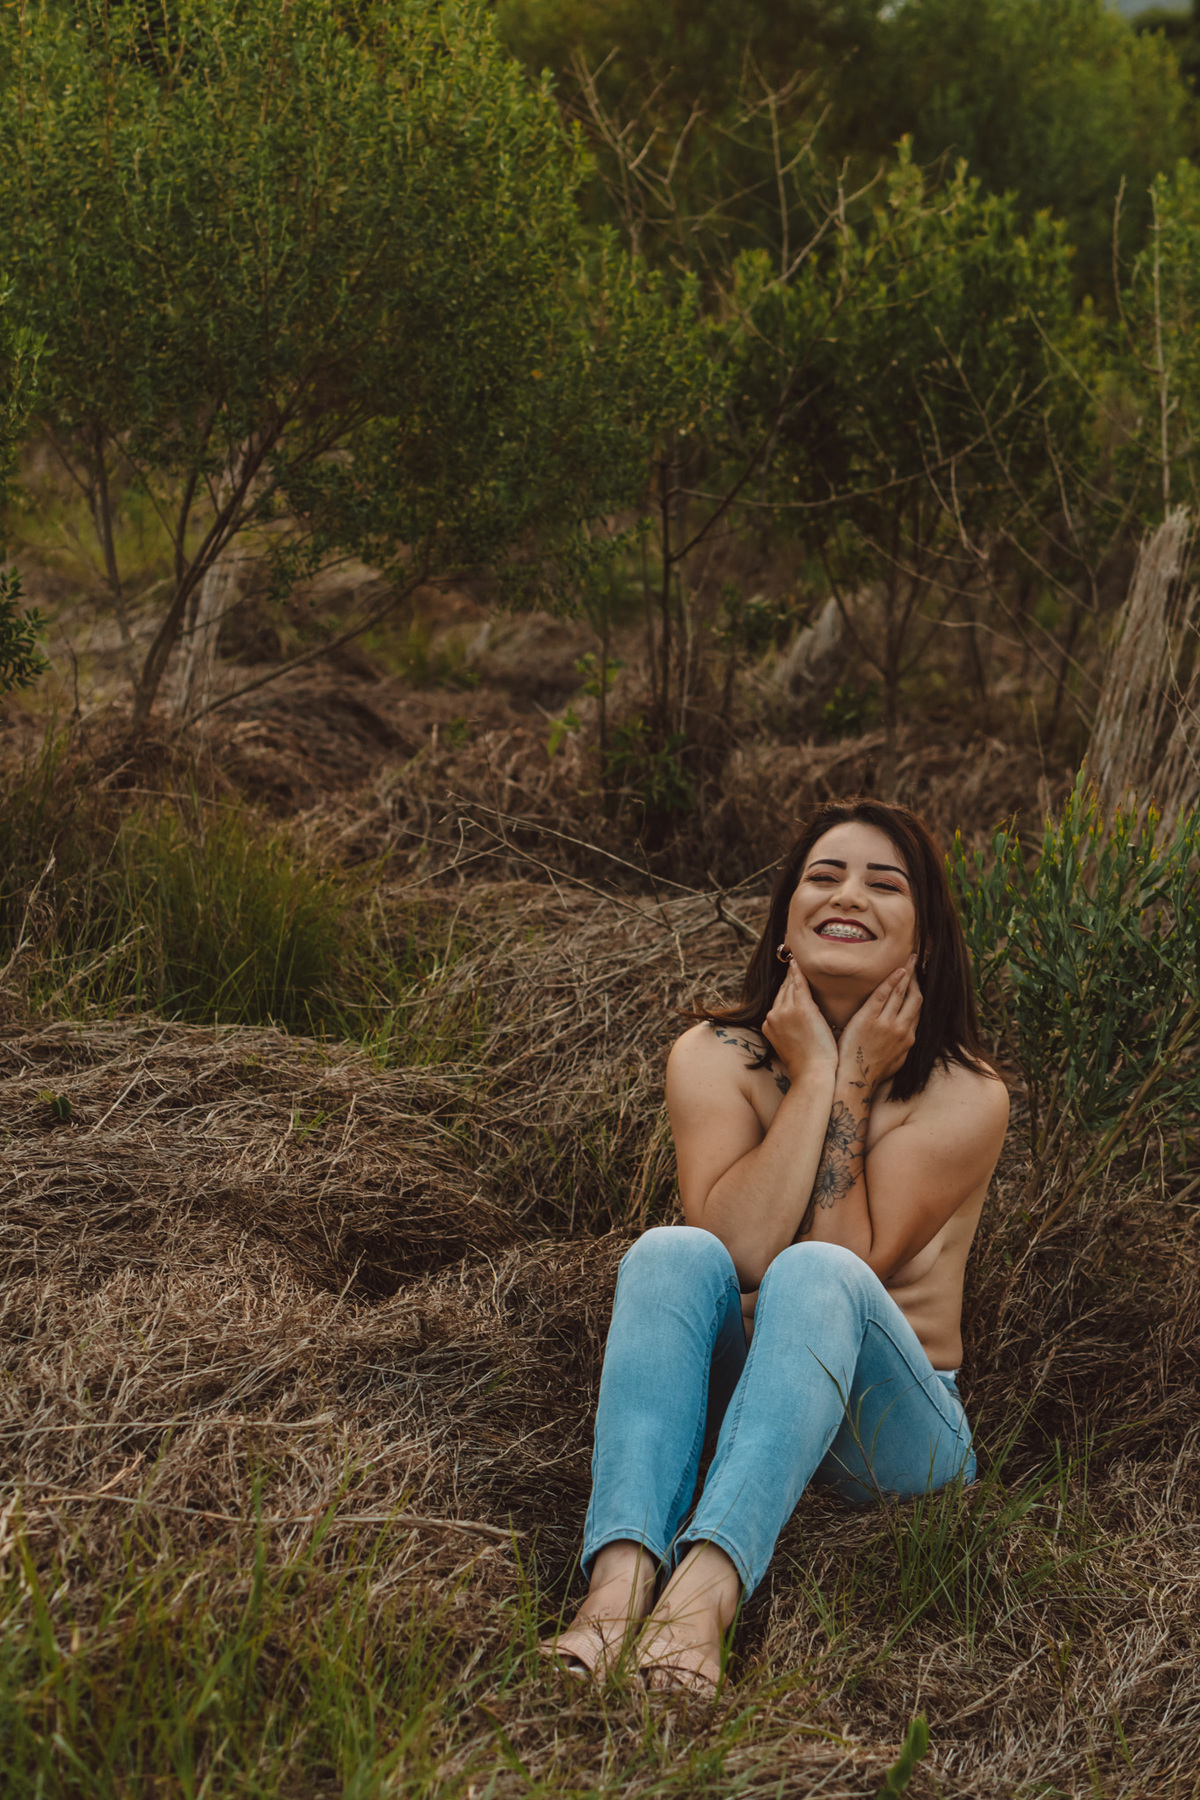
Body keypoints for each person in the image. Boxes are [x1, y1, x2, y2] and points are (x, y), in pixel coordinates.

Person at [542, 798, 1009, 1698]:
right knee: (671, 1252)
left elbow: (842, 1260)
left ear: (925, 936)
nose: (849, 894)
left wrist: (854, 1076)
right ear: (788, 919)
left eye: (886, 882)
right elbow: (738, 1249)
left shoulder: (963, 1094)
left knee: (818, 1268)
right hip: (757, 1398)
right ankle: (616, 1589)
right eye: (824, 875)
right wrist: (817, 1075)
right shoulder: (713, 1055)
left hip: (893, 1438)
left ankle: (700, 1608)